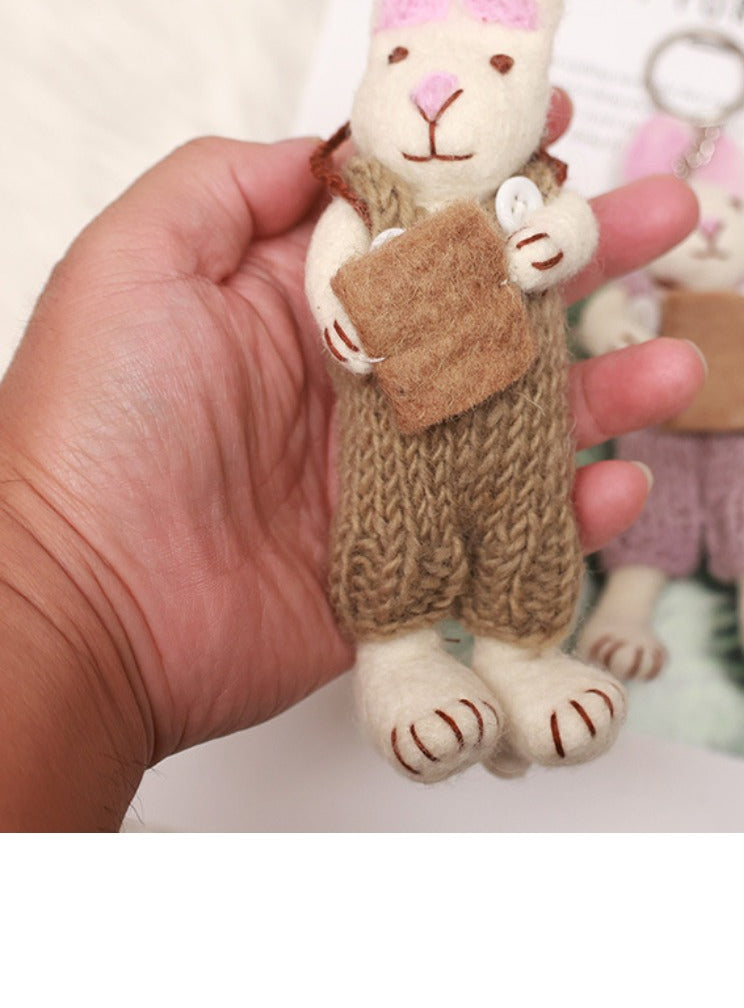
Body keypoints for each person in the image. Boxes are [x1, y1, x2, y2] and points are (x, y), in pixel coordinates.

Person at [0, 99, 703, 831]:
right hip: (398, 451)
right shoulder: (361, 199)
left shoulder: (536, 186)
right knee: (395, 538)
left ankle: (520, 659)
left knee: (529, 531)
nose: (440, 103)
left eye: (499, 69)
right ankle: (400, 660)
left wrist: (556, 238)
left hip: (521, 447)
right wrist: (338, 313)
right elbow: (330, 265)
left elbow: (572, 223)